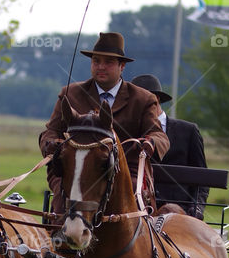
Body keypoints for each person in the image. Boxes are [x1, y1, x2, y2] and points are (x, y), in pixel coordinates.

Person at [39, 32, 169, 213]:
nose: (101, 67)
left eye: (108, 62)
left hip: (124, 173)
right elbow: (50, 132)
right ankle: (60, 237)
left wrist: (150, 143)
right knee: (64, 200)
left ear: (122, 66)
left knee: (130, 198)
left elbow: (159, 135)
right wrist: (51, 145)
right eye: (96, 61)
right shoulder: (70, 93)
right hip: (74, 170)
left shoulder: (143, 98)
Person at [131, 74, 209, 220]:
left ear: (156, 100)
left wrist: (196, 207)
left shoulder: (188, 131)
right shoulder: (129, 133)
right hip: (138, 212)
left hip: (180, 214)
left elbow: (202, 177)